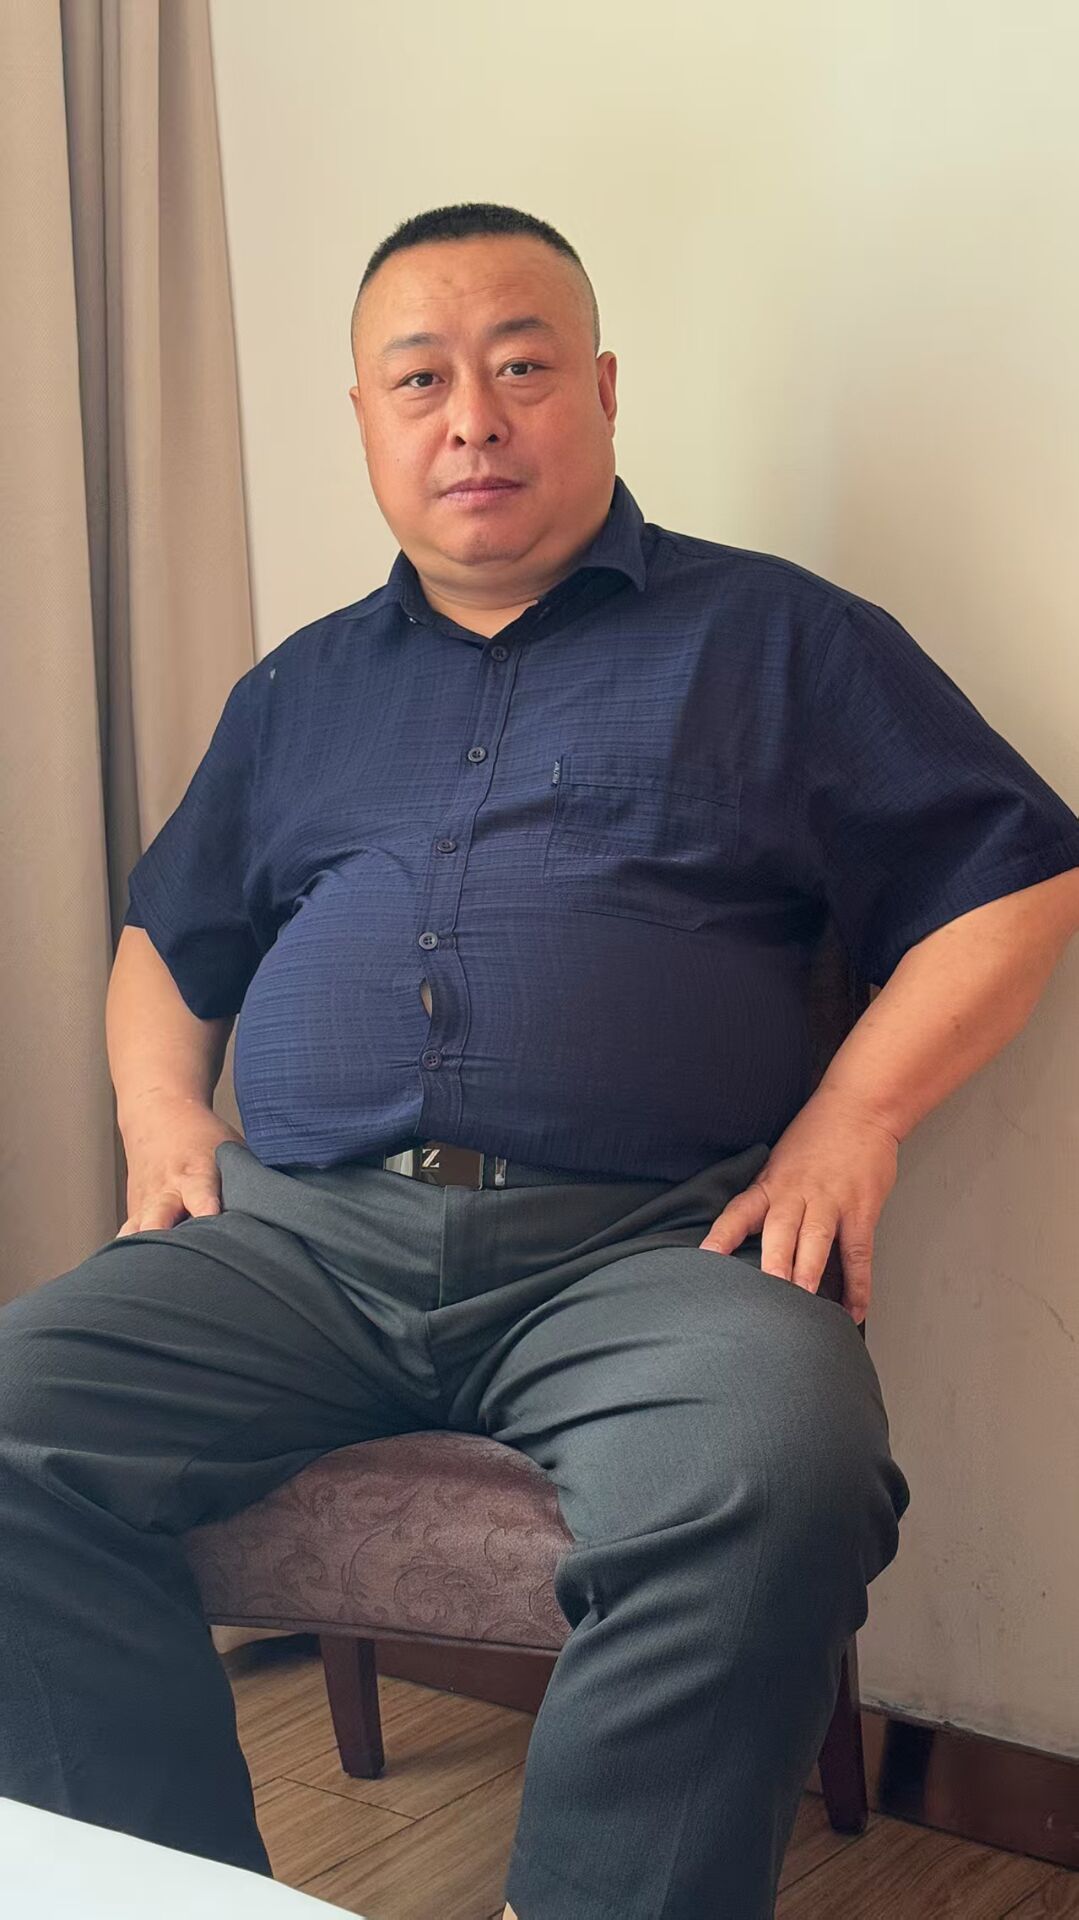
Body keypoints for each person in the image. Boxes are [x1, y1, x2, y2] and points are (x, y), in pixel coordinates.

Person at [2, 201, 1078, 1920]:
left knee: (781, 1467)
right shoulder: (298, 692)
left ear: (602, 388)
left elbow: (1013, 872)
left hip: (643, 1250)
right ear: (365, 419)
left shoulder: (776, 638)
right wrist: (155, 1114)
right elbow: (170, 934)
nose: (472, 420)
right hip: (299, 1246)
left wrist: (852, 1120)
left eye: (520, 368)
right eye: (419, 380)